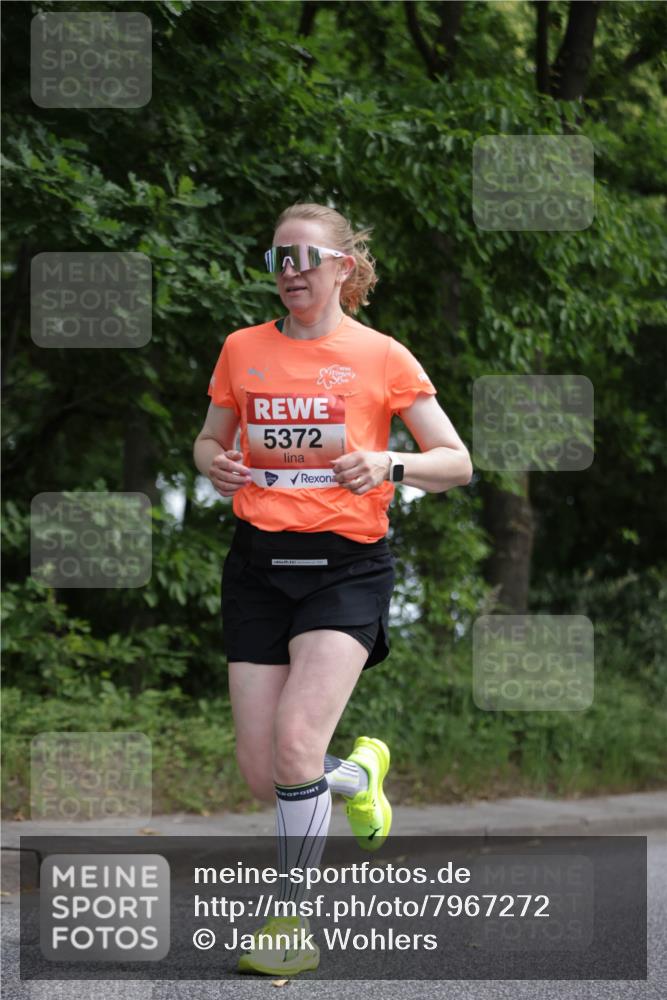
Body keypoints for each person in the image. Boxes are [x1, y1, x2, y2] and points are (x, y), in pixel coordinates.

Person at [193, 202, 472, 976]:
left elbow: (456, 460)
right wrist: (209, 461)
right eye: (277, 257)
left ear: (342, 267)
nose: (288, 272)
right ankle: (358, 774)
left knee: (294, 745)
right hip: (257, 565)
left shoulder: (381, 356)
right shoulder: (241, 349)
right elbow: (210, 438)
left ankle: (290, 925)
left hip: (346, 566)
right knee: (266, 771)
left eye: (304, 257)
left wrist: (390, 465)